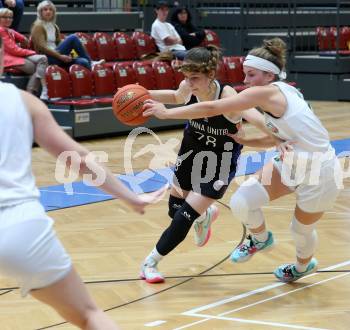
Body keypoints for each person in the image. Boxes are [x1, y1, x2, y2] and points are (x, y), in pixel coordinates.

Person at [143, 38, 342, 283]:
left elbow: (211, 108)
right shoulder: (278, 92)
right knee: (240, 202)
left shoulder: (262, 93)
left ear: (269, 75)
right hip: (288, 162)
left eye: (251, 75)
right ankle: (259, 238)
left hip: (319, 171)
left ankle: (302, 266)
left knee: (300, 230)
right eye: (244, 75)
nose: (245, 81)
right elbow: (270, 133)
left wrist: (165, 114)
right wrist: (267, 140)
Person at [0, 37, 166, 329]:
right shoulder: (24, 102)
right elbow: (78, 158)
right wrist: (130, 197)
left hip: (19, 222)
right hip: (21, 225)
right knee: (89, 315)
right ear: (3, 56)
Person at [139, 45, 272, 283]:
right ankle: (206, 215)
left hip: (220, 160)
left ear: (210, 75)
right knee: (174, 210)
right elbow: (175, 96)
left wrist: (279, 136)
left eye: (195, 78)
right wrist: (143, 93)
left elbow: (255, 116)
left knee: (183, 218)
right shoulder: (187, 86)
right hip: (191, 150)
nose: (189, 84)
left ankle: (150, 262)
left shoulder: (228, 95)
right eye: (186, 78)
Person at [30, 0, 103, 70]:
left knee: (84, 62)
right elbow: (42, 48)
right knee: (73, 38)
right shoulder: (38, 26)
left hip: (57, 56)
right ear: (40, 12)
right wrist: (60, 56)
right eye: (45, 10)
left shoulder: (54, 26)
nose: (48, 11)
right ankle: (91, 62)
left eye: (50, 9)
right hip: (47, 58)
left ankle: (89, 66)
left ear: (53, 12)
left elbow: (58, 43)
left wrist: (71, 53)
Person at [0, 8, 48, 100]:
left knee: (43, 59)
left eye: (10, 17)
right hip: (7, 59)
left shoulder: (9, 30)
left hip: (16, 56)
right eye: (4, 17)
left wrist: (24, 40)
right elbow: (14, 50)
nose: (8, 19)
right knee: (38, 67)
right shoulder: (1, 30)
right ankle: (31, 93)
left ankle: (36, 92)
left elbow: (23, 39)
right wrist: (32, 52)